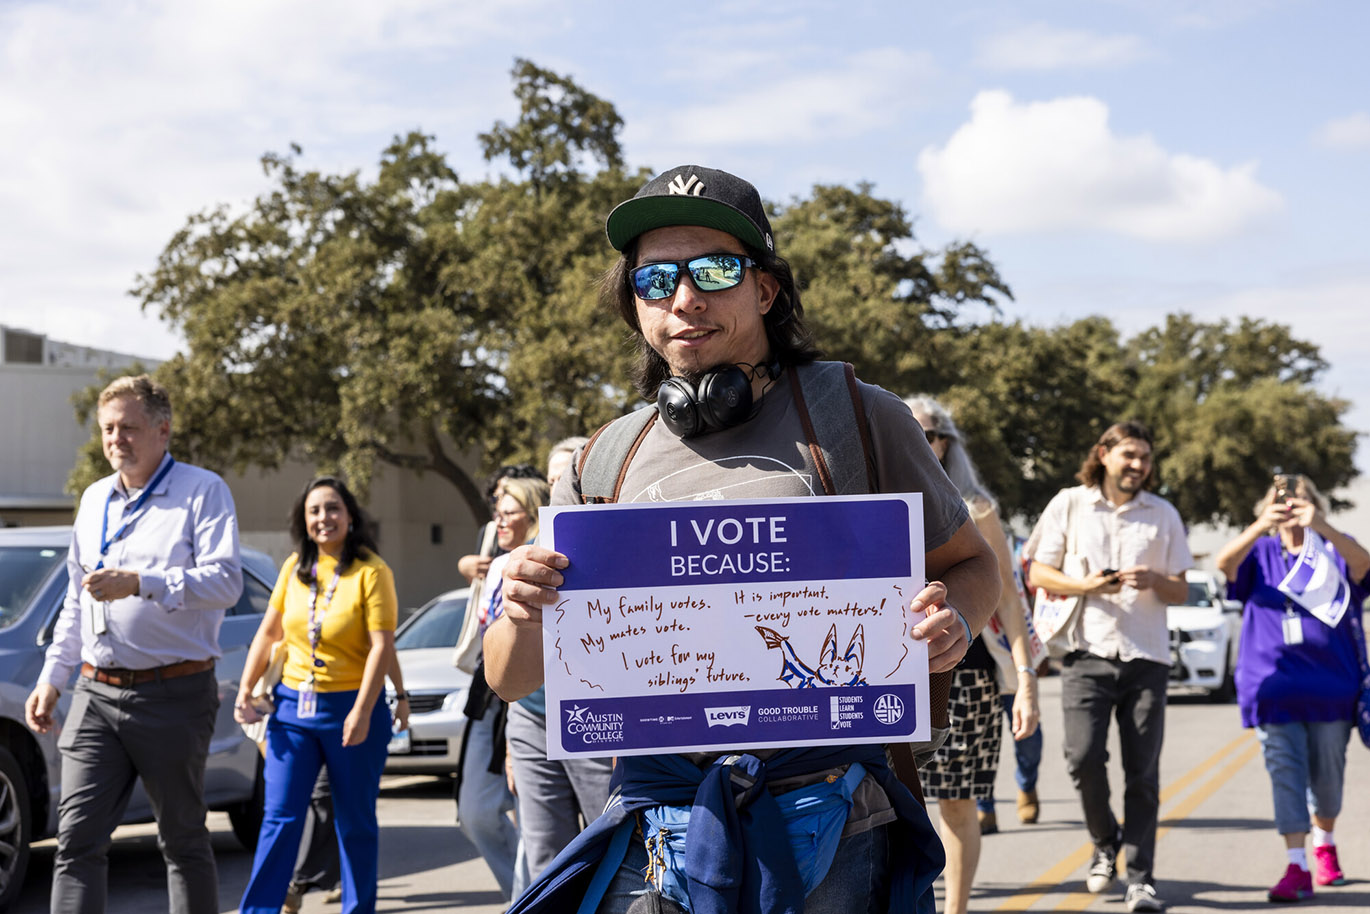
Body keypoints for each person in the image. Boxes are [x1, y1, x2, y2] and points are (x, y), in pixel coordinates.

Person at [485, 164, 1002, 914]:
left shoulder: (859, 418)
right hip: (659, 836)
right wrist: (524, 609)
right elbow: (509, 677)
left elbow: (971, 564)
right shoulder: (604, 460)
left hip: (830, 827)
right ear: (635, 303)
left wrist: (950, 619)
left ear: (765, 289)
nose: (684, 298)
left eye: (715, 270)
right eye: (656, 279)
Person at [23, 374, 242, 914]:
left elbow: (225, 582)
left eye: (128, 427)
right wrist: (53, 678)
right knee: (76, 843)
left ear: (162, 430)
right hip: (96, 693)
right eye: (107, 429)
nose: (116, 438)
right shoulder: (95, 498)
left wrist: (142, 581)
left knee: (184, 842)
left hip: (174, 692)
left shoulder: (203, 490)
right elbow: (78, 597)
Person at [1028, 421, 1192, 913]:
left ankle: (1141, 879)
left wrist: (1155, 579)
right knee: (1081, 758)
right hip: (1085, 656)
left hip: (1146, 660)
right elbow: (1036, 570)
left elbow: (1181, 589)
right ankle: (1105, 842)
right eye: (1129, 455)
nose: (1138, 465)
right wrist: (1086, 587)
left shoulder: (1163, 514)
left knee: (1142, 773)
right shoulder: (1069, 504)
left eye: (1145, 457)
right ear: (1104, 454)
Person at [234, 476, 398, 914]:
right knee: (280, 817)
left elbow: (382, 645)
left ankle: (358, 908)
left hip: (353, 707)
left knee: (354, 821)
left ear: (349, 515)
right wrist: (245, 691)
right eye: (314, 511)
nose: (323, 518)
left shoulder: (372, 571)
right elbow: (268, 633)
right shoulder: (293, 568)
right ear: (303, 520)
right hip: (292, 708)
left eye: (332, 508)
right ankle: (260, 910)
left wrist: (364, 710)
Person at [903, 396, 1040, 914]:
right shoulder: (872, 499)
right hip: (888, 674)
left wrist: (1025, 679)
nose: (921, 440)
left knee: (958, 806)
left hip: (967, 675)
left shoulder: (977, 509)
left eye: (931, 433)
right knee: (893, 803)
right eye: (909, 430)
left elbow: (1007, 597)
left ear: (947, 443)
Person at [1215, 474, 1370, 902]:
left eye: (1300, 497)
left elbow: (1364, 567)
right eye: (1281, 499)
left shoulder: (1335, 549)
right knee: (1285, 774)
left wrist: (1321, 527)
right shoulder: (1259, 551)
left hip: (1331, 690)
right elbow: (1224, 565)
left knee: (1327, 781)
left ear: (1316, 504)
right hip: (1273, 690)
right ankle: (1297, 864)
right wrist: (1260, 525)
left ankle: (1324, 841)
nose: (1290, 504)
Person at [500, 468, 613, 888]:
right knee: (546, 861)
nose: (559, 487)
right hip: (531, 716)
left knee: (614, 848)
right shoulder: (526, 562)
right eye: (552, 479)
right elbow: (503, 673)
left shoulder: (606, 547)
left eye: (567, 477)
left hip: (594, 716)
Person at [284, 651, 410, 913]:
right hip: (313, 713)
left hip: (358, 716)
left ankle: (308, 881)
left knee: (351, 810)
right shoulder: (309, 612)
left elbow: (386, 650)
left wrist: (400, 696)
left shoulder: (364, 611)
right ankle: (309, 879)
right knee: (321, 799)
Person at [975, 532, 1047, 832]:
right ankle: (984, 805)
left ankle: (1026, 784)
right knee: (973, 741)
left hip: (1006, 648)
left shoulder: (990, 527)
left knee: (1027, 735)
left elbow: (1015, 597)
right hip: (969, 657)